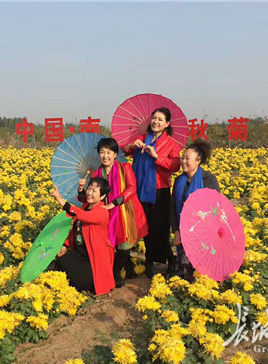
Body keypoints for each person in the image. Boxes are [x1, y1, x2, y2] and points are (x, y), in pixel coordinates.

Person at [78, 138, 148, 286]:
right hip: (106, 214)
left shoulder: (125, 168)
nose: (105, 156)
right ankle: (129, 270)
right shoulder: (96, 172)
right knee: (113, 244)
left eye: (109, 152)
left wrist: (113, 204)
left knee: (124, 246)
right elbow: (91, 197)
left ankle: (113, 275)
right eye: (102, 152)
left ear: (115, 154)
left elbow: (131, 189)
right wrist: (81, 189)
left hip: (125, 211)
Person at [121, 108, 182, 278]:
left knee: (159, 228)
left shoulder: (171, 144)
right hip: (139, 189)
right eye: (154, 118)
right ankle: (150, 260)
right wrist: (132, 145)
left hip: (159, 191)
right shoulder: (141, 139)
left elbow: (175, 165)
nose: (156, 122)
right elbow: (122, 151)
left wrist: (156, 157)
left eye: (160, 119)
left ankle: (165, 259)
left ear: (167, 124)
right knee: (143, 226)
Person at [52, 178, 115, 295]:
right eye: (89, 189)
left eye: (94, 191)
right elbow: (75, 230)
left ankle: (93, 282)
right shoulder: (86, 206)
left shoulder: (102, 211)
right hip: (81, 253)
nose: (90, 193)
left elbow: (81, 215)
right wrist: (65, 245)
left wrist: (60, 200)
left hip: (93, 259)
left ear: (102, 196)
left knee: (80, 283)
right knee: (62, 259)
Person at [170, 139, 220, 281]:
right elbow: (173, 207)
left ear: (198, 161)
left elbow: (216, 209)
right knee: (185, 266)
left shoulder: (208, 180)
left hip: (203, 232)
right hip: (183, 230)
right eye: (182, 158)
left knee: (201, 269)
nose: (183, 161)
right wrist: (176, 231)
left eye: (187, 158)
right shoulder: (179, 180)